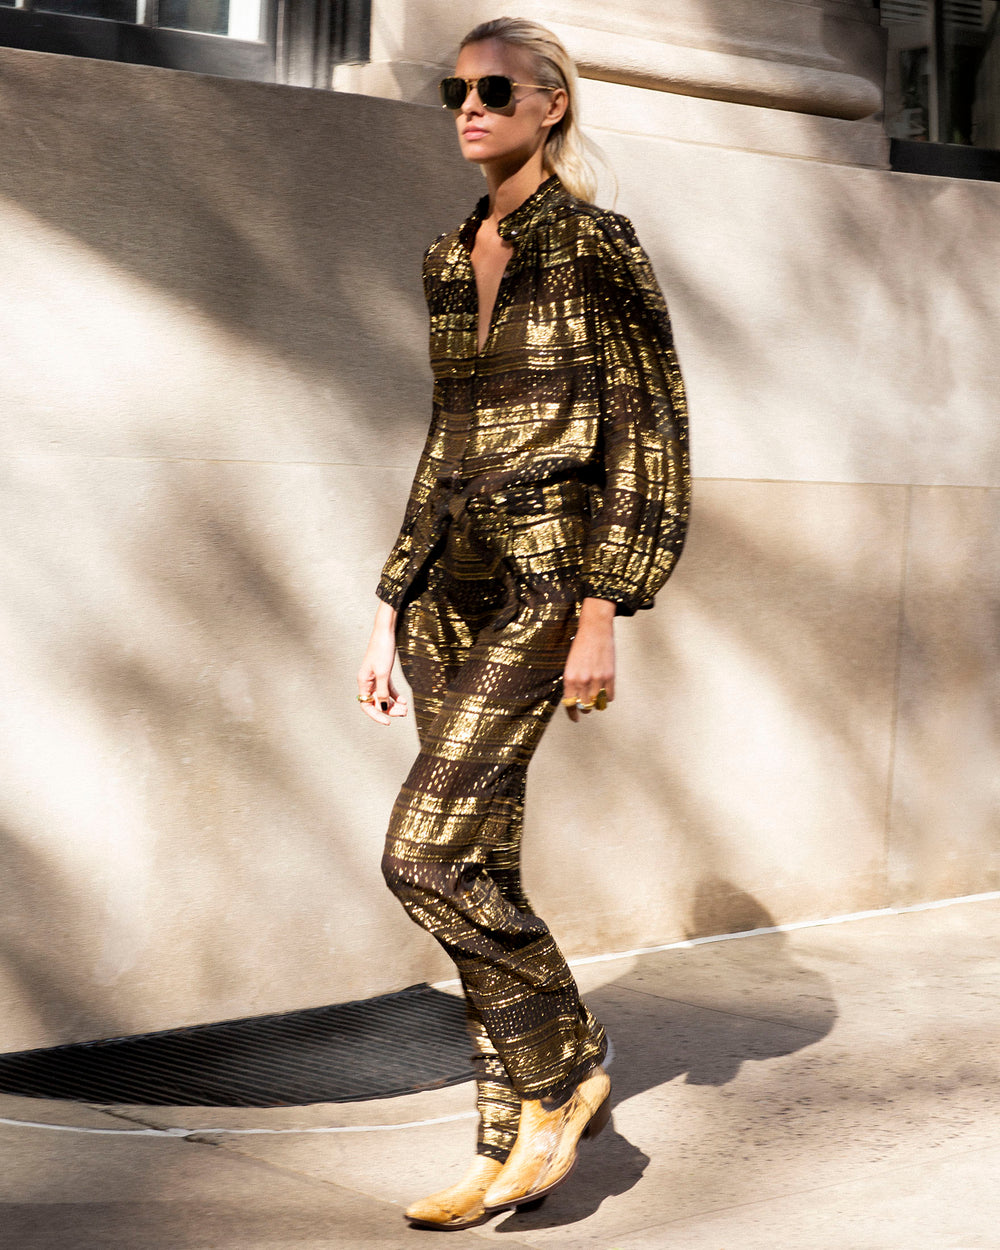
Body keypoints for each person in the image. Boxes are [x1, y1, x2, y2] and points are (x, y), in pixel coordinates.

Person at [356, 15, 690, 1232]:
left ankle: (564, 1059)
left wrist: (608, 601)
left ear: (552, 103)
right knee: (478, 857)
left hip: (550, 579)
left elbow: (649, 432)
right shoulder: (454, 250)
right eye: (457, 88)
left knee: (424, 856)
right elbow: (444, 436)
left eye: (496, 88)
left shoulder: (597, 244)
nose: (470, 106)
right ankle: (504, 1137)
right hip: (447, 581)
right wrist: (389, 599)